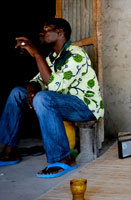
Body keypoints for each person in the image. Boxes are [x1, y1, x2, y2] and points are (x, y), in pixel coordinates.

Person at [0, 18, 104, 178]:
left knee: (43, 98)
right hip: (62, 103)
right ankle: (9, 151)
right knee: (17, 93)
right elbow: (38, 80)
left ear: (60, 32)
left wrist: (36, 54)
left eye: (46, 29)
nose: (42, 32)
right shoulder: (52, 58)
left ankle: (64, 158)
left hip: (85, 107)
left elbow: (54, 86)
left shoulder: (77, 55)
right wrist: (31, 88)